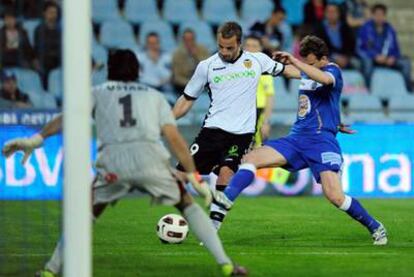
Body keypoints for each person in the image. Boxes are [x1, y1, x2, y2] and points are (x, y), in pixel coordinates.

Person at [2, 49, 247, 277]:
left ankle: (50, 270)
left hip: (113, 164)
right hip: (150, 160)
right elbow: (174, 138)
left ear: (109, 70)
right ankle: (226, 264)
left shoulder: (97, 93)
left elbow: (67, 118)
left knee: (84, 214)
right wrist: (193, 176)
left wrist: (36, 139)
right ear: (137, 71)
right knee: (187, 205)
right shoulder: (154, 96)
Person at [210, 35, 388, 246]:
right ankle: (222, 207)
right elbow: (295, 76)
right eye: (305, 62)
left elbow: (324, 80)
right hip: (296, 138)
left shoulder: (333, 71)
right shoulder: (308, 70)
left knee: (334, 196)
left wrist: (296, 62)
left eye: (311, 62)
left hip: (321, 142)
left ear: (323, 58)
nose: (307, 67)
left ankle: (375, 226)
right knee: (249, 159)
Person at [172, 21, 285, 229]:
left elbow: (287, 71)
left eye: (230, 48)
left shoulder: (257, 61)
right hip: (211, 131)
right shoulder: (206, 66)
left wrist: (313, 76)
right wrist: (167, 121)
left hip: (241, 134)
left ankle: (212, 229)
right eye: (220, 47)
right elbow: (187, 99)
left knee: (226, 173)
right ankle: (196, 207)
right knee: (179, 177)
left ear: (239, 43)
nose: (224, 52)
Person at [356, 4, 412, 91]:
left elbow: (396, 49)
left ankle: (408, 90)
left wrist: (392, 57)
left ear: (385, 16)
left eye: (381, 15)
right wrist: (375, 56)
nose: (379, 17)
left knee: (406, 63)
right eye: (377, 14)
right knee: (366, 64)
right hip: (372, 59)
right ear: (372, 15)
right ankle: (368, 90)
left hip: (387, 59)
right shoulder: (365, 28)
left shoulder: (390, 29)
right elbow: (360, 49)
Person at [243, 35, 275, 146]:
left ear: (260, 49)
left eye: (254, 46)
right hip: (241, 112)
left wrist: (266, 121)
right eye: (248, 45)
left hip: (258, 112)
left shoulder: (264, 70)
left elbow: (269, 98)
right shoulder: (237, 69)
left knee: (256, 147)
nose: (250, 49)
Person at [314, 3, 355, 68]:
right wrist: (335, 57)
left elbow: (351, 45)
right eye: (329, 12)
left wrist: (346, 57)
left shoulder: (345, 27)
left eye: (333, 12)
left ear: (339, 13)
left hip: (345, 57)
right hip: (328, 57)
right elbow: (319, 48)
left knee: (357, 63)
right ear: (325, 13)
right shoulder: (319, 28)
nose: (331, 14)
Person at [172, 28, 209, 96]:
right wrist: (191, 84)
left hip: (202, 84)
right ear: (183, 41)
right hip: (184, 86)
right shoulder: (177, 54)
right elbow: (177, 77)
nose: (189, 43)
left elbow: (208, 69)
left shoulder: (203, 50)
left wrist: (196, 56)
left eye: (191, 40)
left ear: (195, 40)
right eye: (186, 40)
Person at [34, 1, 62, 86]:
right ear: (44, 13)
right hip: (45, 63)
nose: (53, 15)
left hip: (58, 60)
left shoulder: (60, 30)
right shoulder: (39, 30)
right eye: (50, 12)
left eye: (55, 12)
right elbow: (39, 48)